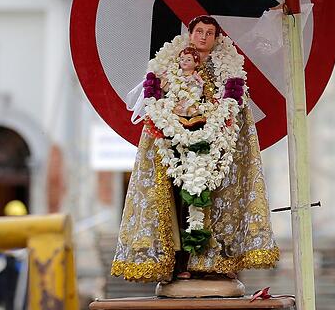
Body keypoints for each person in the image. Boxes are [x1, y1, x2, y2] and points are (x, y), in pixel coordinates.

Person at [113, 15, 278, 283]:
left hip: (214, 145)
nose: (203, 37)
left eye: (209, 32)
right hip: (176, 144)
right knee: (179, 201)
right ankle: (178, 263)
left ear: (216, 38)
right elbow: (156, 96)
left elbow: (235, 104)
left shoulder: (227, 67)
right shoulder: (172, 64)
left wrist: (213, 117)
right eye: (199, 31)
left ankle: (213, 260)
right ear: (190, 34)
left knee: (212, 200)